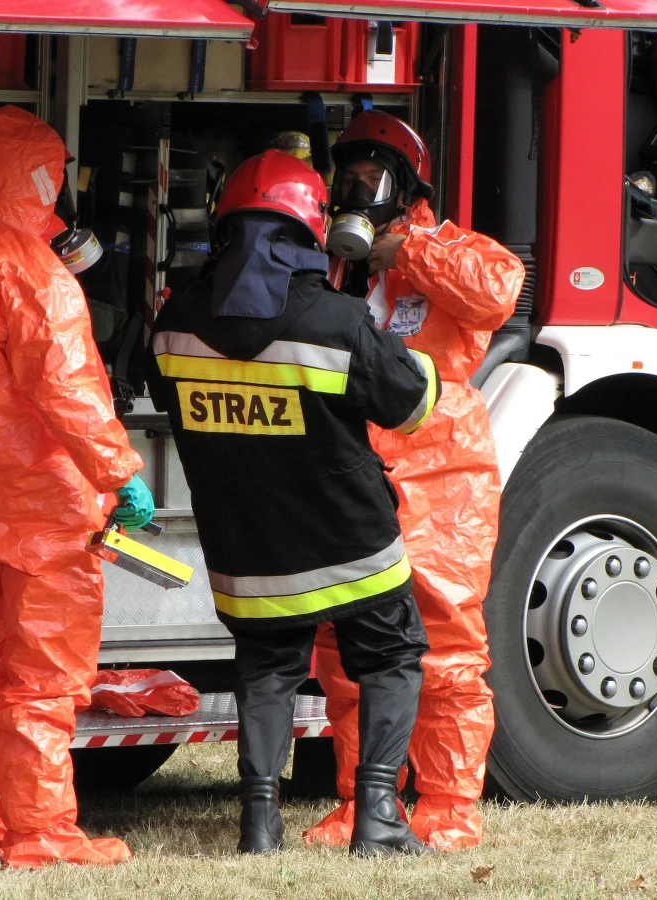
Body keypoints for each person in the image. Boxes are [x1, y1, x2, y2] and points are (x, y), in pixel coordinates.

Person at [145, 149, 439, 856]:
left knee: (267, 668)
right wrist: (420, 360)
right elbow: (411, 405)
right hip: (351, 544)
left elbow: (163, 397)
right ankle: (378, 815)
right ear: (313, 228)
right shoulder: (337, 321)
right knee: (392, 657)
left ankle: (260, 824)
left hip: (247, 549)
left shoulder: (175, 321)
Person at [0, 105, 155, 869]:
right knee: (43, 676)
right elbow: (66, 388)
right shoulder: (32, 270)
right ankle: (41, 833)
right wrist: (119, 472)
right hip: (45, 508)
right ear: (40, 177)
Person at [304, 111, 525, 852]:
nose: (356, 190)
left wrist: (413, 251)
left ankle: (448, 806)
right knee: (346, 647)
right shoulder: (330, 261)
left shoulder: (445, 248)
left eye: (372, 177)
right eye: (348, 177)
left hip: (442, 473)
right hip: (351, 465)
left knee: (448, 645)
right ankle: (362, 803)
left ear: (406, 188)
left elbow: (498, 289)